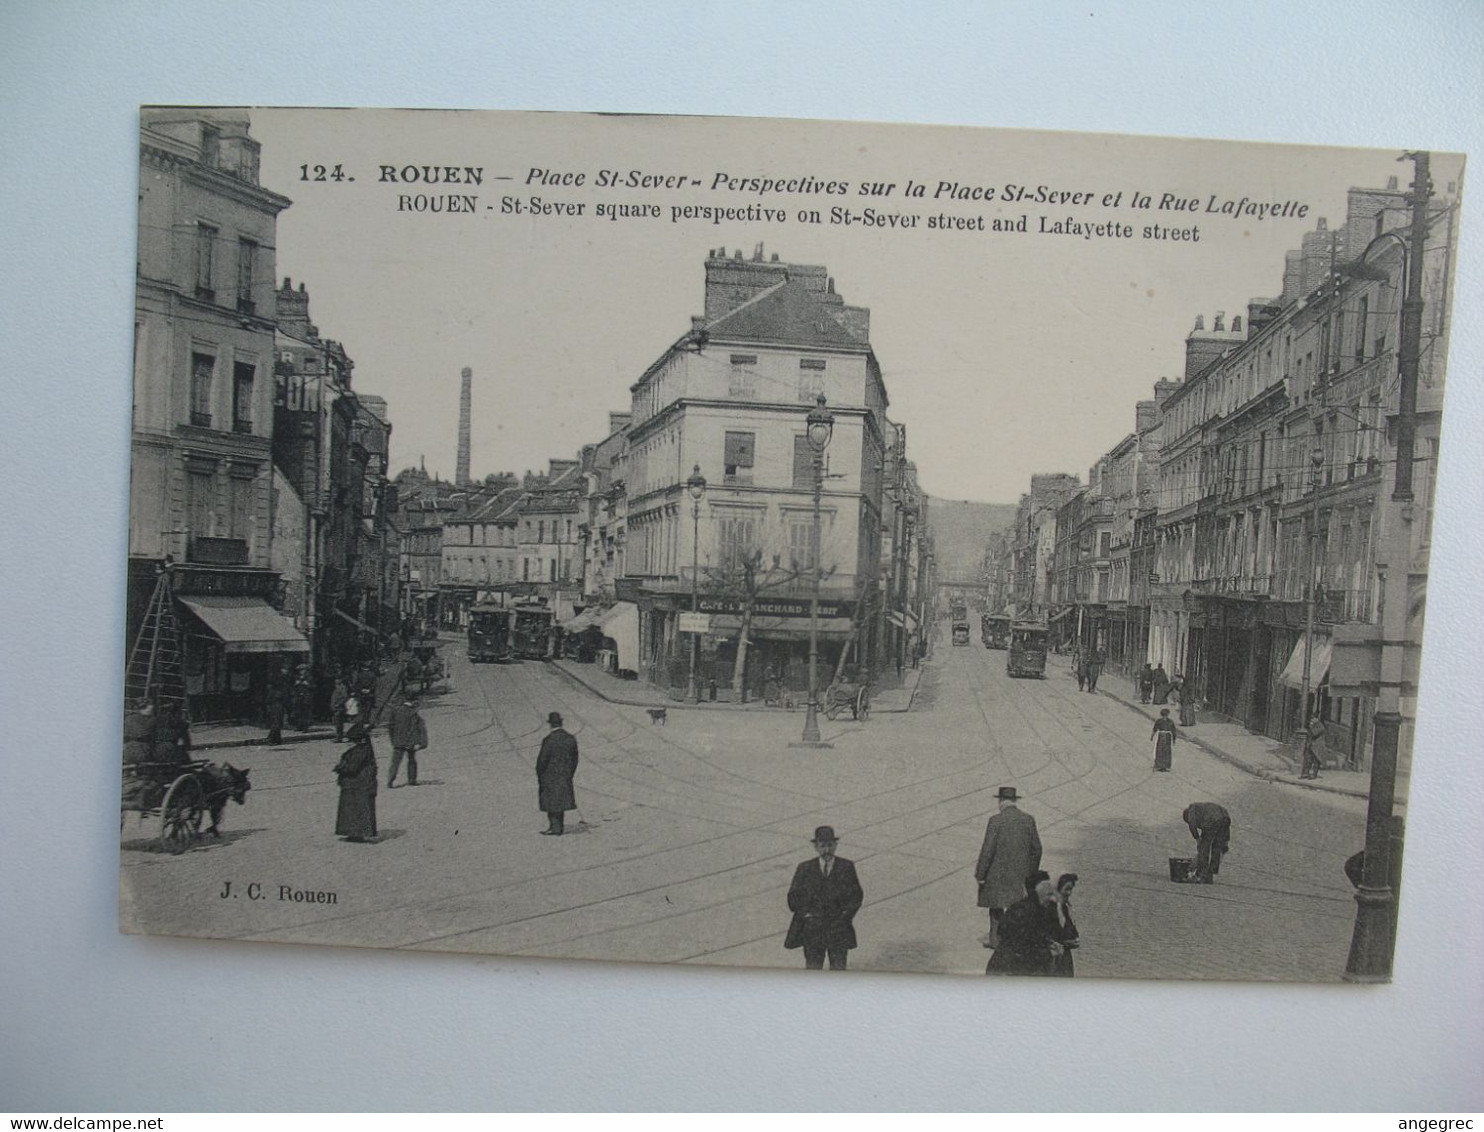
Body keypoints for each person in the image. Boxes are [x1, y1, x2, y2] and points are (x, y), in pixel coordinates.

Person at [784, 825, 865, 971]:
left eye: (830, 845)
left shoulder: (846, 866)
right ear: (816, 847)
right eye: (822, 846)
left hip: (838, 930)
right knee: (813, 972)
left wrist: (844, 918)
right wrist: (807, 916)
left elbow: (856, 896)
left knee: (839, 971)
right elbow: (793, 898)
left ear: (835, 845)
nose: (826, 850)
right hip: (813, 932)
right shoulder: (805, 868)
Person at [975, 786, 1043, 948]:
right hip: (1020, 876)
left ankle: (995, 940)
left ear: (1000, 801)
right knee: (1019, 909)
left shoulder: (995, 820)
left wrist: (981, 875)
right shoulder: (1028, 819)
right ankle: (1017, 941)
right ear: (1014, 801)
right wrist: (1030, 874)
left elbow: (987, 850)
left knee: (996, 909)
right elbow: (1037, 849)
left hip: (996, 876)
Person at [985, 871, 1063, 976]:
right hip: (1008, 972)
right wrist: (1048, 953)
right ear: (1035, 893)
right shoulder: (1021, 912)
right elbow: (1019, 948)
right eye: (1048, 894)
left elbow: (1036, 936)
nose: (1053, 898)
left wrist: (1049, 942)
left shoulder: (1042, 909)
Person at [333, 718, 378, 843]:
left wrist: (340, 768)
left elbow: (352, 767)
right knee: (354, 808)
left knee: (356, 809)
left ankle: (357, 833)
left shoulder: (360, 751)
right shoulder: (363, 749)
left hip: (358, 784)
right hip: (357, 784)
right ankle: (354, 833)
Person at [536, 711, 579, 835]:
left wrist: (540, 774)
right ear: (561, 723)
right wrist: (570, 772)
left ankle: (555, 828)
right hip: (565, 775)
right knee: (560, 801)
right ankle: (558, 827)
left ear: (550, 725)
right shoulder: (570, 738)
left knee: (551, 802)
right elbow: (575, 758)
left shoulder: (548, 740)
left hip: (550, 775)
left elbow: (542, 760)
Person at [386, 693, 428, 788]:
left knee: (395, 762)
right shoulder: (413, 713)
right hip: (410, 741)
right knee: (411, 760)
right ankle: (412, 780)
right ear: (413, 701)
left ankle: (390, 780)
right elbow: (419, 728)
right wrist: (422, 743)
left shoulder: (396, 711)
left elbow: (390, 727)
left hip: (398, 741)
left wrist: (393, 740)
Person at [1182, 802, 1231, 883]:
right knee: (1216, 848)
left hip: (1211, 820)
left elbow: (1192, 824)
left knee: (1204, 848)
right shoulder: (1202, 809)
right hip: (1225, 817)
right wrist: (1226, 841)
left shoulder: (1191, 808)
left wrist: (1197, 838)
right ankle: (1210, 875)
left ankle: (1202, 875)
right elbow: (1226, 827)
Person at [1050, 873, 1080, 976]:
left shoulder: (1066, 909)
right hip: (1055, 956)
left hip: (1065, 956)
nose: (1069, 893)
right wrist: (1067, 941)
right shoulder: (1052, 908)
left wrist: (1074, 940)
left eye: (1071, 890)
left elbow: (1072, 932)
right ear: (1059, 889)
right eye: (1066, 889)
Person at [1300, 713, 1326, 779]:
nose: (1311, 720)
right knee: (1308, 759)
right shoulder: (1315, 725)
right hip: (1311, 746)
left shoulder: (1320, 726)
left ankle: (1314, 775)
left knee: (1316, 761)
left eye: (1313, 719)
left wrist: (1311, 726)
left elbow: (1314, 733)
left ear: (1316, 719)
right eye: (1311, 719)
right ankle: (1305, 773)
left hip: (1317, 746)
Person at [329, 676, 351, 743]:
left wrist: (338, 704)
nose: (336, 682)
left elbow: (345, 697)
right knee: (337, 723)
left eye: (337, 680)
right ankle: (338, 736)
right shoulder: (336, 688)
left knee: (339, 723)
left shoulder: (342, 688)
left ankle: (339, 737)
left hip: (340, 708)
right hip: (336, 708)